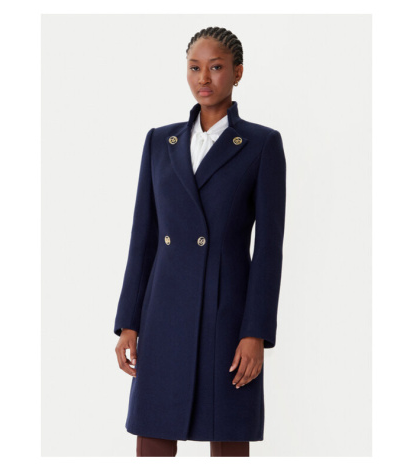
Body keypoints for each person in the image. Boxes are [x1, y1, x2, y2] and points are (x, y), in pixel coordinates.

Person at [114, 26, 287, 457]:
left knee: (228, 440)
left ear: (238, 73)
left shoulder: (261, 144)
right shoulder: (160, 141)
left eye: (216, 67)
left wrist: (256, 332)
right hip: (163, 313)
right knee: (153, 441)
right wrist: (129, 322)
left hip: (226, 315)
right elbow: (143, 238)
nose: (203, 78)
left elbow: (268, 250)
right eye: (194, 68)